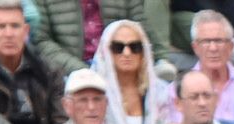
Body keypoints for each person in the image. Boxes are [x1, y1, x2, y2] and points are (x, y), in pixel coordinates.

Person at [92, 18, 171, 124]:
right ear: (106, 51)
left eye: (135, 47)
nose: (127, 53)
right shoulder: (93, 94)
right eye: (118, 47)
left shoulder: (161, 92)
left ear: (143, 52)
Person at [29, 0, 172, 78]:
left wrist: (158, 58)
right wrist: (81, 70)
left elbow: (139, 27)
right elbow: (42, 41)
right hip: (71, 69)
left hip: (118, 64)